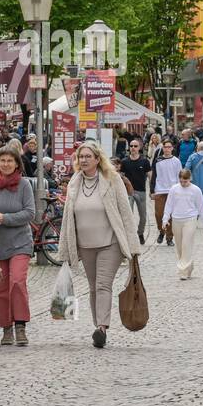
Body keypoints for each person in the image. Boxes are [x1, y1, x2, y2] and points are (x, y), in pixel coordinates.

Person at [56, 140, 139, 348]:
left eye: (87, 157)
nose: (83, 160)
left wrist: (133, 245)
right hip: (85, 244)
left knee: (103, 284)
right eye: (80, 157)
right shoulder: (75, 182)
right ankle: (97, 326)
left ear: (97, 159)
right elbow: (68, 217)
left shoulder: (112, 180)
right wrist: (65, 247)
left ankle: (102, 327)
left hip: (109, 242)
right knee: (93, 287)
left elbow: (125, 213)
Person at [0, 145, 35, 346]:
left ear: (17, 163)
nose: (6, 164)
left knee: (17, 282)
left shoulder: (24, 185)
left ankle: (20, 326)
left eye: (10, 161)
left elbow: (30, 213)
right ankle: (6, 328)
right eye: (3, 161)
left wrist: (6, 218)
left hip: (20, 242)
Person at [163, 167, 203, 280]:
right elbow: (169, 204)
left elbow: (201, 207)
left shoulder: (196, 190)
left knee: (186, 244)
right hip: (176, 220)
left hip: (190, 219)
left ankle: (183, 271)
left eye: (186, 181)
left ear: (190, 179)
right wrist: (165, 219)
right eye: (181, 181)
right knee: (179, 247)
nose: (183, 183)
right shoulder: (174, 189)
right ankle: (187, 266)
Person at [148, 139, 182, 246]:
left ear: (172, 148)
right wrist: (152, 190)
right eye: (165, 147)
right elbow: (154, 176)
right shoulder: (158, 160)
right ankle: (161, 231)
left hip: (173, 191)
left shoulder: (176, 161)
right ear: (162, 148)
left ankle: (169, 237)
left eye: (169, 147)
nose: (167, 149)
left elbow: (179, 176)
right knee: (159, 214)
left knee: (171, 216)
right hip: (160, 190)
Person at [120, 138, 151, 245]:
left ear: (140, 148)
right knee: (128, 214)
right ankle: (130, 235)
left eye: (135, 146)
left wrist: (152, 190)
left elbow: (150, 176)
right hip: (128, 192)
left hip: (141, 191)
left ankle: (140, 233)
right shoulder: (124, 161)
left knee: (143, 216)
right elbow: (121, 176)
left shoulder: (144, 161)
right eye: (131, 146)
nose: (133, 148)